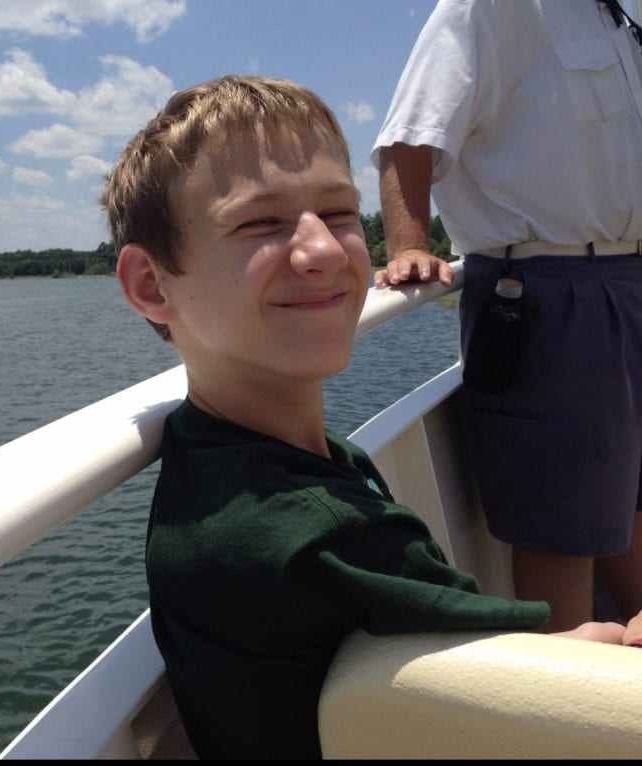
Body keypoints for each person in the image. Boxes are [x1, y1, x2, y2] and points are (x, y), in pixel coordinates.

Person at [102, 74, 637, 760]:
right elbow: (565, 669)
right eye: (260, 222)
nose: (324, 250)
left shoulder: (215, 458)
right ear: (152, 285)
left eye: (339, 213)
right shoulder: (311, 534)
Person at [371, 0, 642, 633]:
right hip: (548, 288)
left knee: (631, 492)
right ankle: (565, 698)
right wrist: (409, 245)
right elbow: (410, 137)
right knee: (558, 523)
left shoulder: (615, 20)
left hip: (629, 281)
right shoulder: (492, 6)